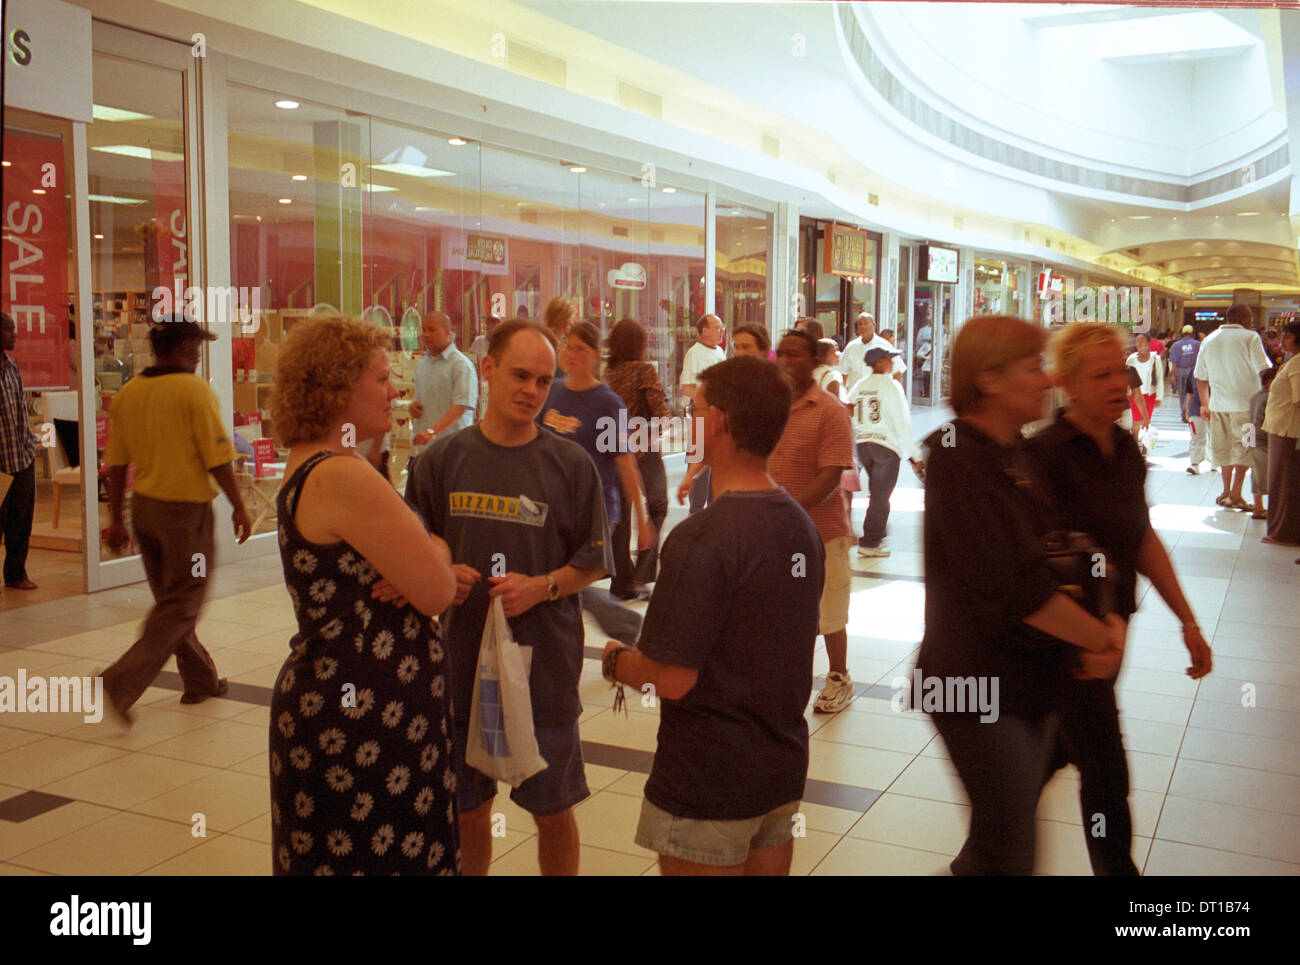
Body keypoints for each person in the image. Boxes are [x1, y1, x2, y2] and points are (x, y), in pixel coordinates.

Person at [915, 314, 1125, 876]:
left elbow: (1067, 550)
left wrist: (1103, 617)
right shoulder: (959, 456)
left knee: (996, 850)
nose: (1047, 379)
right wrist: (1099, 636)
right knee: (1008, 854)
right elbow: (1013, 587)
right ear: (988, 380)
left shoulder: (1016, 454)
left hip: (1025, 680)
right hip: (972, 686)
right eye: (1034, 367)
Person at [405, 318, 612, 876]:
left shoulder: (570, 465)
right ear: (488, 369)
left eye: (544, 382)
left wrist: (542, 587)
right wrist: (444, 565)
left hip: (542, 667)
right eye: (520, 375)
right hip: (461, 663)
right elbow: (417, 543)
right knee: (468, 810)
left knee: (553, 809)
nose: (531, 391)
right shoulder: (439, 462)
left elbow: (593, 562)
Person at [603, 356, 822, 875]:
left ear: (719, 421)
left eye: (694, 409)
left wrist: (618, 662)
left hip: (709, 781)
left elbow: (671, 678)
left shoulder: (702, 538)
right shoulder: (799, 525)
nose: (688, 418)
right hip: (780, 769)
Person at [268, 316, 459, 875]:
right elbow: (439, 587)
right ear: (336, 387)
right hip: (367, 723)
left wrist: (424, 557)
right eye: (380, 378)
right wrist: (432, 557)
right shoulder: (343, 475)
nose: (395, 391)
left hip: (346, 708)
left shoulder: (309, 465)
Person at [1027, 321, 1212, 876]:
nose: (1118, 382)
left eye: (1121, 370)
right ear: (1069, 384)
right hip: (1069, 640)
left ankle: (989, 845)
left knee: (1058, 749)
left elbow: (1140, 536)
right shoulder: (1046, 456)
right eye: (1101, 373)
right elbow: (1054, 562)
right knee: (1106, 770)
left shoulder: (1125, 448)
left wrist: (1188, 620)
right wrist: (1100, 625)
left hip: (1110, 634)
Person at [100, 315, 254, 722]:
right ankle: (120, 680)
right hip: (184, 516)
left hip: (145, 512)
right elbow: (218, 456)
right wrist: (239, 505)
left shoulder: (130, 393)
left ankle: (200, 678)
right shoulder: (193, 391)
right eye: (197, 346)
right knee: (184, 602)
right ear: (182, 348)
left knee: (171, 601)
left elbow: (116, 464)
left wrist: (116, 519)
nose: (200, 355)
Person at [537, 321, 653, 643]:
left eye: (581, 349)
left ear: (596, 355)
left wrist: (642, 521)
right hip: (553, 506)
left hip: (596, 509)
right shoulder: (552, 392)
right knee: (559, 581)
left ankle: (620, 625)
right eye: (568, 346)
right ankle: (612, 627)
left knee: (563, 579)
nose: (572, 354)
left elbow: (625, 464)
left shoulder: (607, 403)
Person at [770, 329, 856, 714]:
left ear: (815, 361)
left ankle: (838, 677)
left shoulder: (830, 410)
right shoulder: (769, 408)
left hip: (823, 530)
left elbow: (832, 474)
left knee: (829, 611)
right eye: (782, 354)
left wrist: (789, 510)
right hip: (776, 533)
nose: (787, 361)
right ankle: (785, 680)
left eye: (796, 355)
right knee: (783, 611)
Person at [605, 318, 671, 597]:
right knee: (657, 506)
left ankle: (621, 581)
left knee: (621, 516)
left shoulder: (608, 374)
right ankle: (641, 575)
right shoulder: (645, 371)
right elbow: (662, 413)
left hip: (611, 448)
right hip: (642, 450)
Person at [845, 346, 923, 558]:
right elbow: (902, 421)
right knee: (881, 496)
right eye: (888, 359)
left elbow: (848, 408)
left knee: (877, 492)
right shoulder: (892, 386)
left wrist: (861, 428)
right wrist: (915, 456)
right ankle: (870, 543)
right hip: (886, 448)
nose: (892, 362)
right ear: (877, 362)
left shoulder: (860, 385)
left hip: (864, 446)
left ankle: (877, 535)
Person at [1195, 304, 1273, 511]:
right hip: (1247, 407)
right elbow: (1264, 371)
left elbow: (1201, 378)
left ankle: (1226, 491)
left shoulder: (1209, 339)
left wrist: (1205, 404)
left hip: (1218, 406)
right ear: (1240, 317)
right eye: (1250, 317)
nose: (1252, 321)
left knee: (1223, 449)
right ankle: (1237, 494)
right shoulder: (1251, 337)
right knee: (1245, 449)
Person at [0, 312, 38, 592]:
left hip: (21, 456)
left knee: (21, 520)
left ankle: (16, 573)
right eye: (8, 330)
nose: (14, 335)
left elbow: (21, 410)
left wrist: (29, 445)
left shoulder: (12, 366)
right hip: (1, 459)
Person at [410, 310, 477, 455]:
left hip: (452, 452)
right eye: (424, 330)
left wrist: (431, 432)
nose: (426, 334)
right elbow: (420, 399)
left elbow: (460, 407)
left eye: (432, 330)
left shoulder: (460, 365)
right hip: (423, 449)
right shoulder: (423, 363)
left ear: (447, 332)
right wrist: (414, 406)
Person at [679, 314, 725, 514]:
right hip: (700, 418)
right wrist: (707, 401)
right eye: (717, 327)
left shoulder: (721, 352)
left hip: (718, 418)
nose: (721, 331)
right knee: (699, 464)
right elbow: (686, 387)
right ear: (705, 331)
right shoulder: (694, 353)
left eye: (721, 327)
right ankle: (696, 512)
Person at [1262, 321, 1300, 545]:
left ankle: (1282, 531)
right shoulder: (1292, 361)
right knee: (1281, 480)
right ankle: (1280, 529)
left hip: (1287, 430)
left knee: (1283, 481)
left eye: (1287, 337)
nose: (1282, 341)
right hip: (1281, 428)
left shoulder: (1297, 363)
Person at [841, 312, 905, 391]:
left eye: (866, 323)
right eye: (860, 324)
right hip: (857, 396)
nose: (863, 326)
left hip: (879, 395)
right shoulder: (851, 347)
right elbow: (844, 372)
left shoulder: (885, 346)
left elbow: (897, 372)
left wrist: (896, 393)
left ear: (874, 324)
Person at [1246, 369, 1277, 521]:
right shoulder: (1270, 397)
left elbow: (1250, 419)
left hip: (1252, 438)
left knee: (1256, 472)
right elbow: (1265, 421)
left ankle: (1258, 506)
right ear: (1268, 381)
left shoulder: (1255, 396)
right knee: (1266, 474)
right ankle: (1260, 508)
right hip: (1262, 440)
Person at [1125, 333, 1164, 453]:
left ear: (1148, 344)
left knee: (1147, 420)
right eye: (1137, 342)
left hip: (1149, 394)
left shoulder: (1155, 359)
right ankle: (1134, 445)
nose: (1139, 344)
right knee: (1136, 422)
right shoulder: (1131, 359)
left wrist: (1159, 397)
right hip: (1135, 394)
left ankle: (1147, 447)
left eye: (1141, 342)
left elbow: (1159, 378)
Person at [1168, 326, 1200, 419]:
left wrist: (1173, 375)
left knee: (1181, 392)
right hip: (1193, 370)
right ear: (1192, 334)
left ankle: (1183, 411)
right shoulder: (1197, 344)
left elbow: (1174, 362)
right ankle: (1188, 411)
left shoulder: (1176, 345)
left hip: (1180, 370)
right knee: (1191, 392)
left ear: (1182, 333)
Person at [544, 297, 578, 377]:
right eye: (572, 318)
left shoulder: (543, 340)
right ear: (566, 321)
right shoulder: (559, 350)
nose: (573, 323)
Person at [1184, 370, 1208, 475]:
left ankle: (1215, 463)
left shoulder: (1219, 367)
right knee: (1196, 436)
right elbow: (1190, 392)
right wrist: (1188, 409)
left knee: (1214, 436)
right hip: (1195, 409)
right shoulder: (1193, 372)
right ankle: (1195, 464)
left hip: (1215, 406)